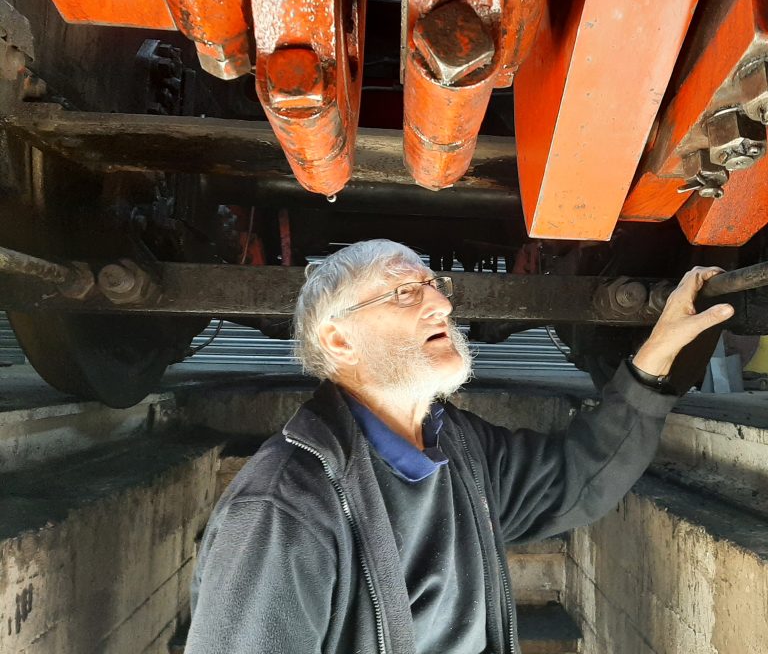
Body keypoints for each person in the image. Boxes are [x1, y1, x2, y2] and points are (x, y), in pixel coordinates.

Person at [185, 239, 733, 654]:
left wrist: (653, 360)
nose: (441, 306)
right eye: (404, 292)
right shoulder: (282, 511)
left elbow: (573, 481)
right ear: (337, 338)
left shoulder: (458, 449)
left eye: (434, 287)